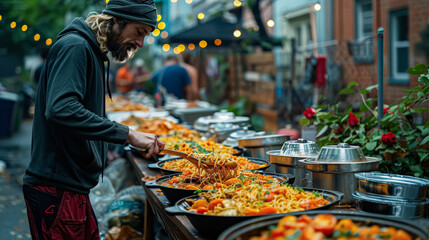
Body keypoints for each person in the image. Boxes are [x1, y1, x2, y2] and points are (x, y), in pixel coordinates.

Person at [22, 0, 164, 239]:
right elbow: (62, 109)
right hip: (58, 187)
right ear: (117, 20)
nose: (140, 43)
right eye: (139, 32)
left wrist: (104, 146)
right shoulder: (75, 46)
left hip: (72, 185)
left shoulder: (92, 50)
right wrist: (127, 134)